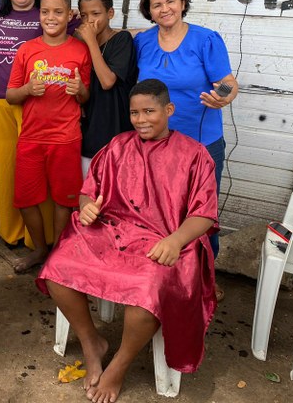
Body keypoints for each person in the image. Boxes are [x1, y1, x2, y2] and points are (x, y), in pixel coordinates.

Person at [37, 79, 218, 403]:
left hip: (166, 240)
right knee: (57, 267)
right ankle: (92, 342)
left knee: (147, 290)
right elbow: (89, 191)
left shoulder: (195, 155)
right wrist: (87, 207)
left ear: (168, 110)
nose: (141, 119)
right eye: (135, 113)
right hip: (114, 232)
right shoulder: (118, 146)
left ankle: (119, 366)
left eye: (149, 111)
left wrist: (175, 240)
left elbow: (204, 214)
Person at [134, 0, 238, 300]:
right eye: (157, 4)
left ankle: (206, 278)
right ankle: (164, 274)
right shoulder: (143, 42)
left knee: (202, 215)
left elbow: (227, 82)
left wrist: (222, 97)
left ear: (182, 3)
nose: (165, 9)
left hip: (201, 144)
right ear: (149, 12)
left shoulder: (206, 40)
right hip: (156, 145)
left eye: (170, 1)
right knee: (160, 212)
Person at [6, 0, 90, 273]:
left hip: (66, 139)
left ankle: (58, 253)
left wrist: (80, 90)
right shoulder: (27, 50)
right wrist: (28, 89)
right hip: (31, 138)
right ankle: (40, 250)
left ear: (69, 15)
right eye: (45, 12)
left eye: (57, 12)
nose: (50, 17)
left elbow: (86, 96)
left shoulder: (80, 50)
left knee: (64, 200)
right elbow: (10, 95)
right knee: (26, 199)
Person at [0, 0, 55, 248]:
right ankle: (11, 231)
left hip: (36, 102)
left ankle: (38, 238)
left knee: (37, 169)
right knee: (6, 167)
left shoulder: (47, 14)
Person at [74, 0, 138, 175]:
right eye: (84, 15)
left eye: (95, 13)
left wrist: (91, 41)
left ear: (110, 13)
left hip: (116, 133)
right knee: (88, 195)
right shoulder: (80, 44)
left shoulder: (122, 40)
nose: (89, 20)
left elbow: (107, 81)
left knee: (114, 195)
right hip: (89, 133)